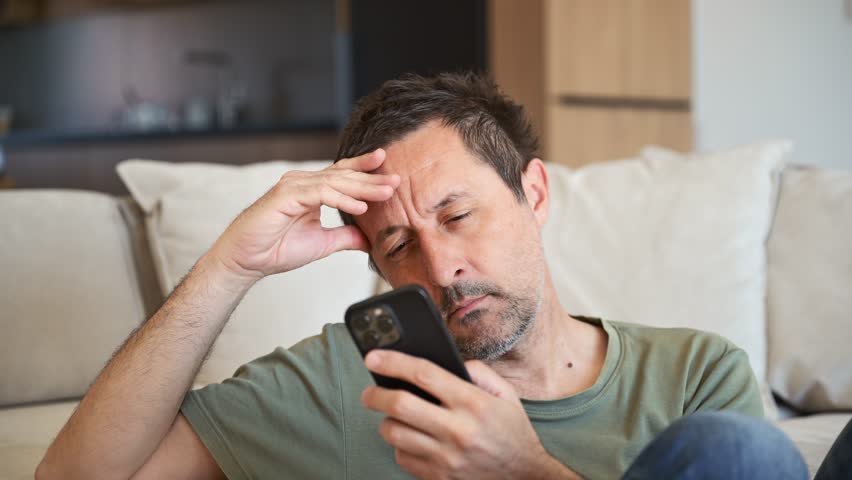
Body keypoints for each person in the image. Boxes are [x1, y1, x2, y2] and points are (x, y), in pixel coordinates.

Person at [37, 73, 841, 480]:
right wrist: (227, 267)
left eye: (457, 218)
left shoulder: (695, 372)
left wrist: (523, 471)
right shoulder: (346, 380)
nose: (441, 269)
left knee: (729, 449)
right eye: (397, 247)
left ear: (532, 193)